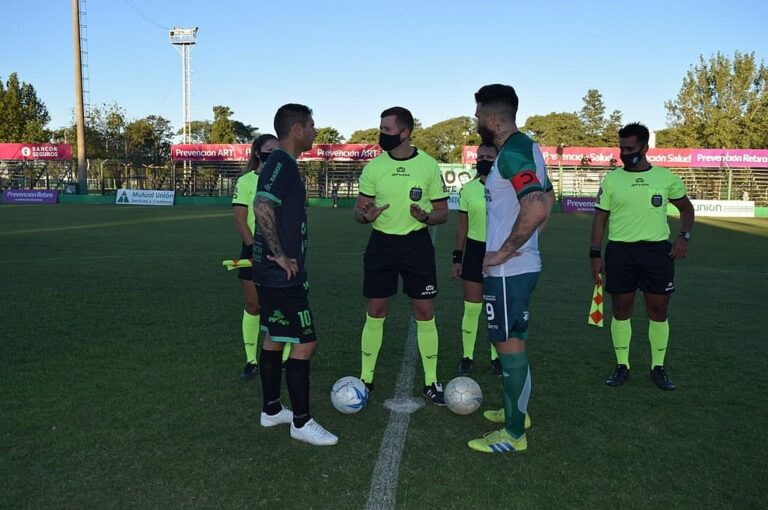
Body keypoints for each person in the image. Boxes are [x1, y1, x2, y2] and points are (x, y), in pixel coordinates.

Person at [467, 84, 551, 454]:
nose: (476, 120)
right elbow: (546, 198)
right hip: (520, 265)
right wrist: (527, 245)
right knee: (511, 342)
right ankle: (515, 412)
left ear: (494, 118)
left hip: (508, 271)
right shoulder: (526, 147)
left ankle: (514, 435)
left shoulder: (514, 153)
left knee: (509, 346)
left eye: (479, 114)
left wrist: (505, 252)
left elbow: (535, 207)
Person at [253, 103, 337, 446]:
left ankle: (272, 410)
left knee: (275, 336)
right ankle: (301, 421)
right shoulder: (281, 163)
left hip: (273, 272)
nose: (315, 131)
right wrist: (279, 253)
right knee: (305, 342)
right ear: (297, 129)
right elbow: (262, 204)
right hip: (280, 272)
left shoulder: (284, 164)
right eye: (312, 126)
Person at [353, 106, 449, 405]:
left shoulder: (429, 166)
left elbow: (443, 212)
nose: (381, 134)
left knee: (424, 312)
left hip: (416, 244)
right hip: (381, 244)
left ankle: (431, 382)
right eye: (381, 128)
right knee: (376, 310)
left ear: (405, 132)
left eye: (387, 129)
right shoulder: (374, 168)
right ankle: (365, 379)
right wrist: (365, 215)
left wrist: (426, 217)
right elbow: (360, 211)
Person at [590, 122, 695, 391]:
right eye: (621, 148)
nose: (624, 153)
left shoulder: (665, 177)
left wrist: (683, 237)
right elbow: (600, 218)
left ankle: (657, 367)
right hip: (620, 252)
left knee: (658, 311)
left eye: (630, 148)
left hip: (656, 252)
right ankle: (622, 365)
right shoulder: (612, 178)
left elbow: (686, 209)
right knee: (621, 310)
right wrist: (595, 253)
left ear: (645, 148)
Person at [232, 134, 282, 381]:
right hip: (254, 251)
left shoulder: (284, 180)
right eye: (268, 150)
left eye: (277, 150)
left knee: (281, 307)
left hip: (282, 253)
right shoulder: (245, 182)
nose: (273, 154)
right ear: (257, 153)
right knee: (254, 306)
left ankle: (282, 359)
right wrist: (255, 248)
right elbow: (240, 221)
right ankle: (252, 360)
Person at [452, 143, 502, 376]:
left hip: (499, 253)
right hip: (474, 251)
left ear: (498, 158)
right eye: (480, 156)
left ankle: (496, 358)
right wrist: (457, 258)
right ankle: (467, 357)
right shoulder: (469, 190)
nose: (484, 159)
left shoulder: (507, 188)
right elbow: (462, 226)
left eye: (489, 156)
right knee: (472, 309)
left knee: (496, 309)